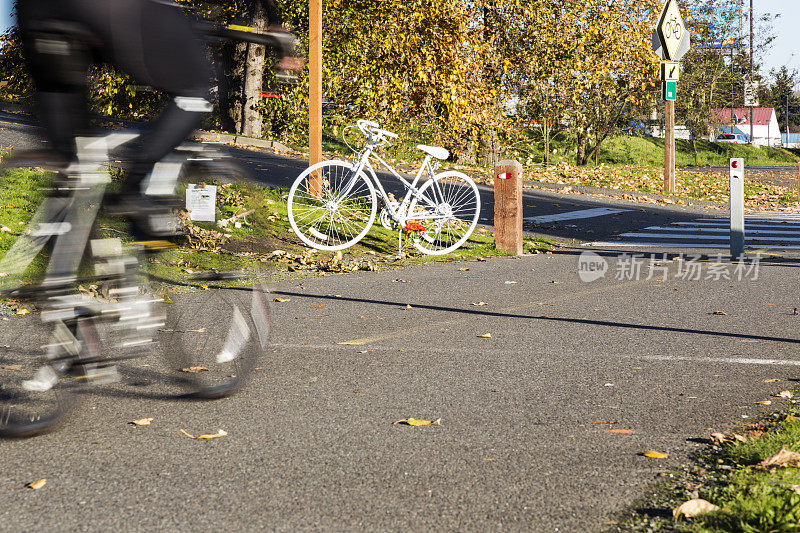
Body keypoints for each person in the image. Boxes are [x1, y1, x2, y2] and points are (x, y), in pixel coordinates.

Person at [16, 0, 297, 236]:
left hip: (36, 13)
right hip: (109, 10)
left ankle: (58, 277)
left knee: (73, 161)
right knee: (198, 89)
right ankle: (132, 191)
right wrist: (277, 27)